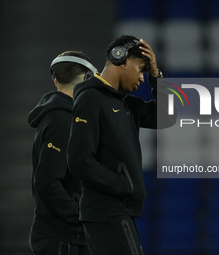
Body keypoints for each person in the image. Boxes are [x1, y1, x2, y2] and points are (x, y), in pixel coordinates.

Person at [67, 35, 176, 255]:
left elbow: (167, 117)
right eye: (142, 69)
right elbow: (79, 160)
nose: (143, 78)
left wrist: (157, 75)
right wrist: (122, 185)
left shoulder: (126, 105)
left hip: (117, 212)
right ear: (122, 60)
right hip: (106, 212)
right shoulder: (90, 99)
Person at [28, 50, 97, 255]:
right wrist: (80, 215)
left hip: (66, 236)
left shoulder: (66, 118)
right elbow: (47, 182)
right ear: (86, 79)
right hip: (63, 237)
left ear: (55, 79)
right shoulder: (61, 121)